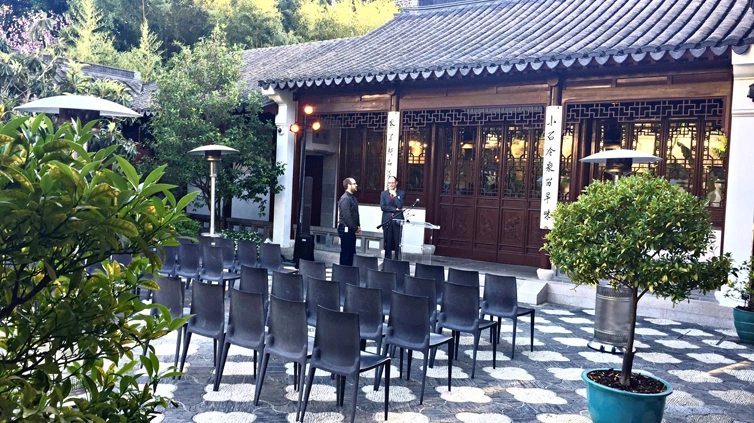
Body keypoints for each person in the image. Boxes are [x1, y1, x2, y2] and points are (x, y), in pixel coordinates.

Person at [380, 176, 405, 260]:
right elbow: (383, 207)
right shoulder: (384, 194)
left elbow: (400, 205)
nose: (391, 184)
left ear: (396, 183)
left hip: (397, 220)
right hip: (387, 220)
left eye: (392, 183)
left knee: (397, 241)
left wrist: (395, 196)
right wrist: (395, 209)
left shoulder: (401, 193)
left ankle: (397, 261)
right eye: (389, 183)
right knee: (387, 242)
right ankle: (387, 261)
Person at [337, 177, 361, 266]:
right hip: (345, 228)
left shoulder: (353, 197)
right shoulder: (345, 198)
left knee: (351, 253)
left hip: (351, 229)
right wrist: (355, 228)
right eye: (354, 184)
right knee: (346, 253)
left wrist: (357, 226)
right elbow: (347, 217)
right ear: (348, 185)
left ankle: (349, 273)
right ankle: (343, 273)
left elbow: (355, 214)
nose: (356, 185)